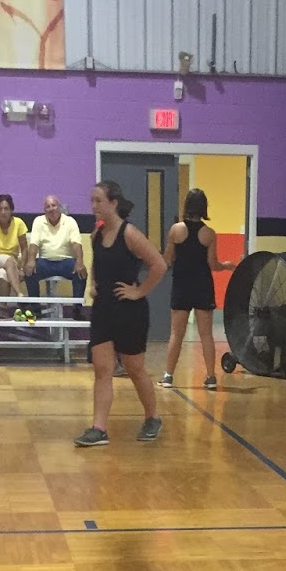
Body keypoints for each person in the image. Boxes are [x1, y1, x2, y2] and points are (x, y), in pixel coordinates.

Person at [73, 180, 166, 448]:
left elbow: (158, 264)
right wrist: (92, 285)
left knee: (135, 369)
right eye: (92, 201)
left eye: (98, 201)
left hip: (129, 311)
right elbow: (97, 264)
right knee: (102, 370)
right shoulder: (96, 234)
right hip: (103, 310)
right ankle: (98, 428)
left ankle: (153, 417)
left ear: (113, 203)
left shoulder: (130, 234)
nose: (94, 206)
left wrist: (140, 291)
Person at [160, 189, 234, 391]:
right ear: (204, 207)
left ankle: (168, 376)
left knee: (176, 334)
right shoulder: (209, 233)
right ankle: (210, 378)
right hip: (202, 286)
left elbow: (167, 260)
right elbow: (213, 264)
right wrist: (226, 265)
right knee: (206, 335)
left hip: (181, 285)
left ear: (186, 205)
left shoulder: (175, 230)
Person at [25, 194, 86, 301]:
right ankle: (35, 309)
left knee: (81, 273)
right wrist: (30, 260)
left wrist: (80, 261)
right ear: (44, 210)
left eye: (53, 205)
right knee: (29, 272)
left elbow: (76, 244)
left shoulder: (70, 221)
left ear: (59, 207)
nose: (51, 209)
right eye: (48, 207)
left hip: (66, 262)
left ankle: (77, 309)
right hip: (45, 262)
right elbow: (34, 244)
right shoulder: (38, 221)